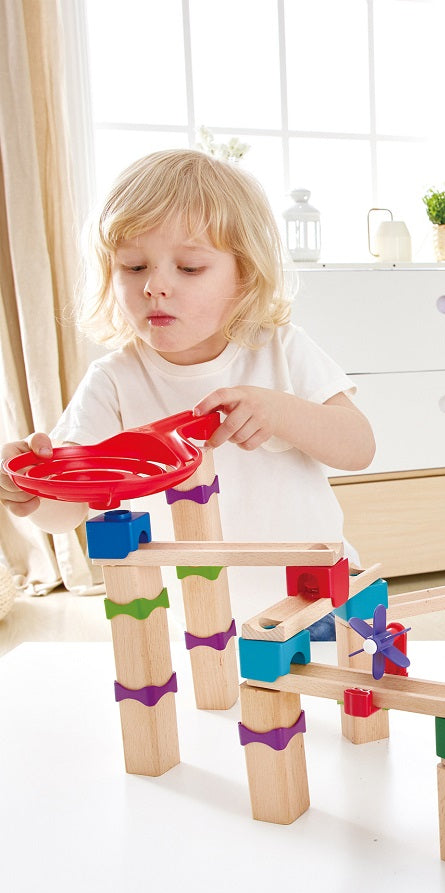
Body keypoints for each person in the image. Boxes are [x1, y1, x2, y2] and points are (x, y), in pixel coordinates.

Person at [0, 149, 375, 626]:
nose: (155, 286)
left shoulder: (280, 349)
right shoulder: (113, 380)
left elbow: (358, 446)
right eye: (134, 267)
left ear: (244, 275)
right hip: (192, 622)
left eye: (189, 268)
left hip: (312, 601)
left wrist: (281, 413)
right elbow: (67, 508)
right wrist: (31, 491)